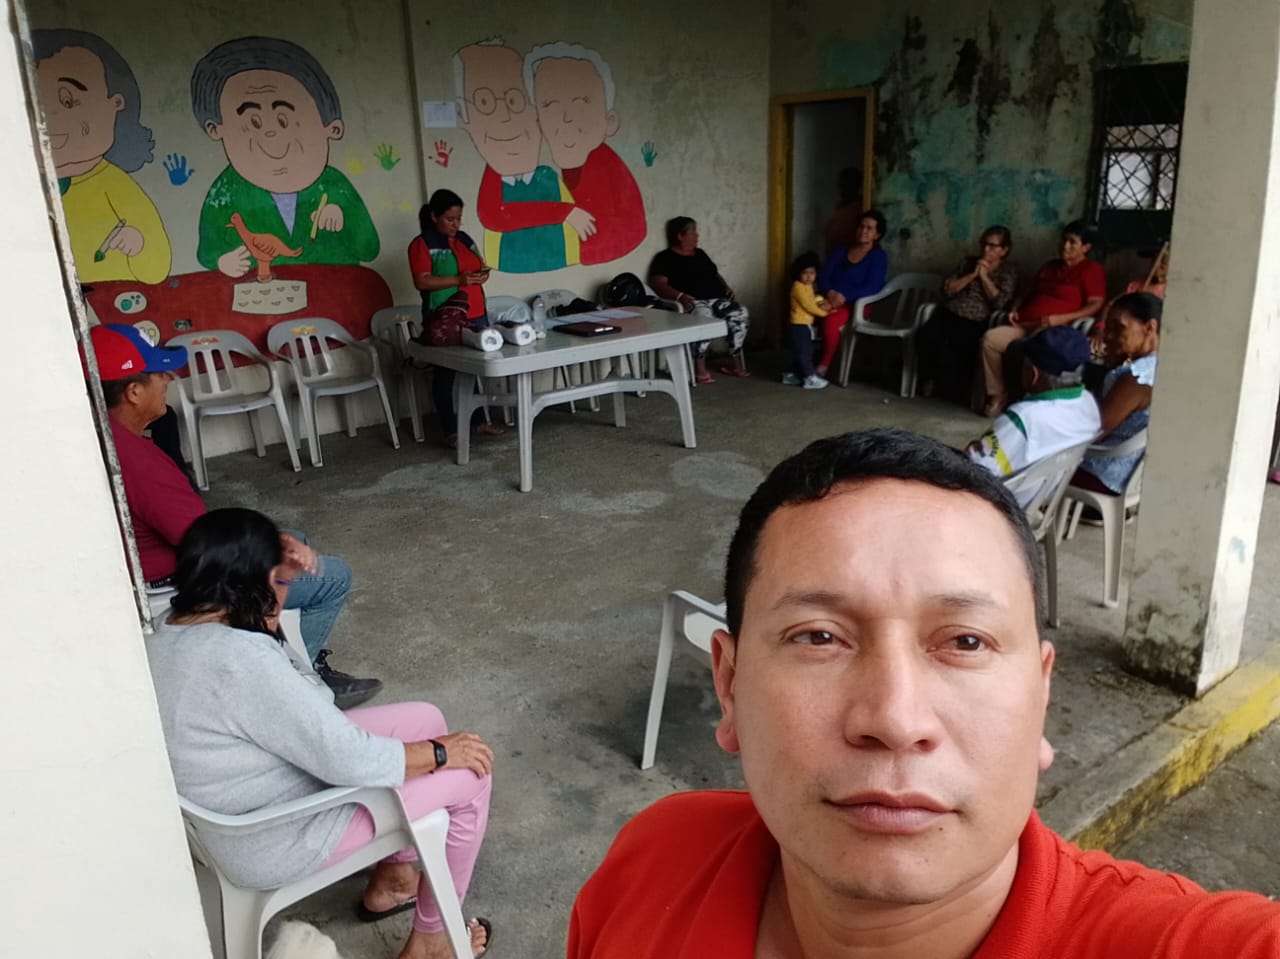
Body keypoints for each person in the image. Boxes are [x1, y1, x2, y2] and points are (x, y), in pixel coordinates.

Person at [568, 427, 1280, 959]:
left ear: (1041, 694)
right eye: (819, 636)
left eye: (965, 642)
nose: (895, 718)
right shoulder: (654, 860)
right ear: (729, 685)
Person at [148, 508, 494, 959]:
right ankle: (432, 943)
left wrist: (270, 596)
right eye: (278, 578)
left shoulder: (169, 629)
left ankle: (395, 879)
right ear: (252, 583)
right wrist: (440, 754)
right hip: (276, 834)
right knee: (472, 773)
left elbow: (310, 709)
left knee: (424, 717)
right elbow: (343, 751)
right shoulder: (242, 661)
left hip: (241, 805)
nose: (286, 588)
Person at [82, 323, 380, 709]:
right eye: (159, 374)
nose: (168, 380)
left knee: (296, 539)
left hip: (156, 571)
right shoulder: (138, 462)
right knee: (332, 575)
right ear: (133, 392)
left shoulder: (102, 436)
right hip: (178, 585)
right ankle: (297, 686)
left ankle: (299, 657)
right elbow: (203, 541)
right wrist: (272, 550)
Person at [191, 36, 379, 276]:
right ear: (215, 129)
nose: (270, 132)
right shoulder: (226, 190)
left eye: (283, 119)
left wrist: (344, 217)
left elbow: (369, 249)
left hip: (333, 290)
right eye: (254, 122)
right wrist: (222, 261)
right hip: (262, 292)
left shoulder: (335, 185)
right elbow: (207, 251)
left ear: (331, 127)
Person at [33, 29, 172, 284]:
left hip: (117, 298)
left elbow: (158, 269)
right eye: (35, 106)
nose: (50, 117)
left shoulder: (114, 185)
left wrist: (138, 243)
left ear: (115, 104)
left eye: (68, 101)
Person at [457, 40, 584, 273]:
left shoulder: (548, 176)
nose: (505, 117)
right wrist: (562, 212)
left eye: (514, 101)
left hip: (560, 264)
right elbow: (494, 216)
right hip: (508, 267)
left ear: (536, 113)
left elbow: (574, 226)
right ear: (465, 121)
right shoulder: (494, 178)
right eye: (484, 102)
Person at [525, 42, 646, 265]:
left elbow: (628, 231)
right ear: (537, 120)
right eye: (550, 104)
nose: (566, 117)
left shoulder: (604, 167)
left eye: (581, 103)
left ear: (609, 121)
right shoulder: (538, 170)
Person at [408, 189, 506, 448]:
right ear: (434, 216)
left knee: (475, 368)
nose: (456, 224)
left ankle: (479, 422)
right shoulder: (422, 244)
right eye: (450, 219)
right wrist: (457, 280)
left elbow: (479, 265)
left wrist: (482, 274)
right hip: (445, 316)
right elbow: (422, 281)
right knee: (446, 373)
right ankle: (450, 429)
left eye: (459, 219)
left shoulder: (464, 239)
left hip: (475, 312)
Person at [981, 220, 1105, 417]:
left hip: (1053, 330)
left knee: (1035, 348)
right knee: (991, 339)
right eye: (1064, 240)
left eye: (1072, 242)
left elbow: (1096, 304)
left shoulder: (1091, 270)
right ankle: (997, 394)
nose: (1065, 246)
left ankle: (1028, 400)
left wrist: (1061, 319)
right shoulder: (1049, 267)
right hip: (1024, 324)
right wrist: (1015, 308)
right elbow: (1027, 293)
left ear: (1086, 247)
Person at [966, 326, 1100, 501]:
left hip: (1005, 505)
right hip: (1042, 498)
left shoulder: (1024, 418)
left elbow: (974, 472)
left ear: (1033, 374)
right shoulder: (1088, 403)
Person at [1071, 291, 1161, 496]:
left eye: (1119, 328)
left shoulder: (1136, 378)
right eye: (1108, 328)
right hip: (1131, 475)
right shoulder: (1158, 367)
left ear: (1149, 328)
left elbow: (1094, 432)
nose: (1109, 336)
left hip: (1103, 473)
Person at [917, 226, 1018, 403]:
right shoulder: (968, 263)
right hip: (949, 311)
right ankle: (929, 379)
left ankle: (952, 390)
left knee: (961, 347)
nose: (986, 249)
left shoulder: (1008, 272)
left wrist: (984, 277)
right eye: (983, 244)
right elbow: (947, 289)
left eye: (992, 246)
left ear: (1004, 250)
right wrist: (973, 275)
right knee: (926, 336)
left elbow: (1001, 302)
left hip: (976, 319)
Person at [648, 216, 750, 382]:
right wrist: (679, 296)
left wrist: (726, 287)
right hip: (693, 302)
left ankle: (735, 363)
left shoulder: (700, 254)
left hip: (717, 300)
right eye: (693, 232)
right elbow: (657, 283)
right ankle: (699, 368)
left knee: (740, 313)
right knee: (703, 318)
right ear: (680, 236)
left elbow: (714, 274)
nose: (697, 236)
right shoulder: (665, 258)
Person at [815, 209, 889, 379]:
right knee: (802, 311)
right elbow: (824, 276)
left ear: (877, 235)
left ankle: (823, 365)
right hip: (830, 297)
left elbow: (872, 287)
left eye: (869, 228)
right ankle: (803, 360)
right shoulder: (841, 251)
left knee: (831, 318)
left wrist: (842, 297)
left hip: (857, 304)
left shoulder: (878, 257)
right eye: (861, 226)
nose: (864, 231)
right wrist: (830, 293)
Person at [782, 252, 830, 389]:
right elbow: (808, 305)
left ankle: (795, 376)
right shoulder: (798, 287)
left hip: (805, 324)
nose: (809, 276)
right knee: (804, 352)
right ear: (798, 273)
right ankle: (810, 378)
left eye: (812, 273)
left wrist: (821, 301)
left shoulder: (808, 286)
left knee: (803, 351)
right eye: (805, 273)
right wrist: (825, 313)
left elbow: (813, 299)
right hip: (798, 325)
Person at [822, 166, 863, 256]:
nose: (841, 189)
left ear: (855, 186)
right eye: (840, 185)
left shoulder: (860, 208)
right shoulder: (840, 207)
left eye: (845, 185)